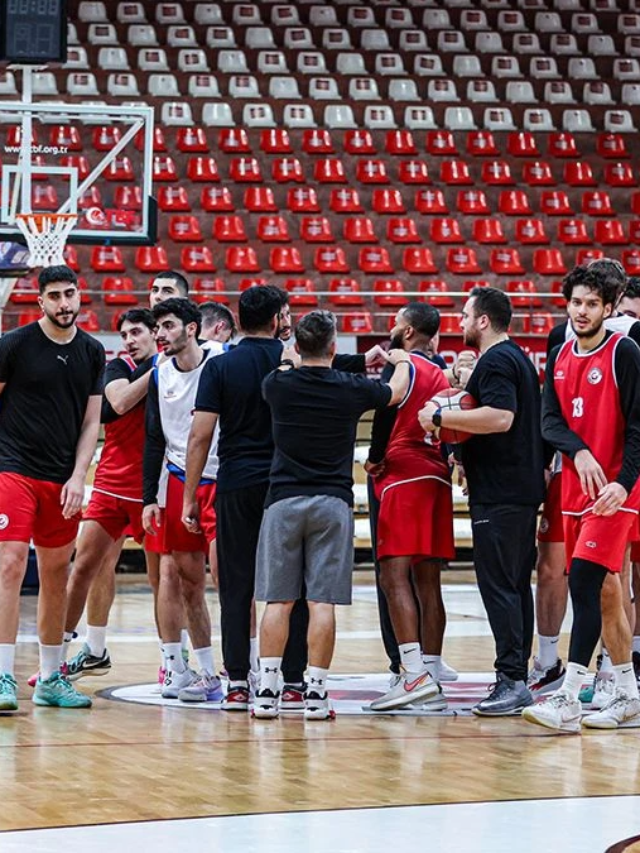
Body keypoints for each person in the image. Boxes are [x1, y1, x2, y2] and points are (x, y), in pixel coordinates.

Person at [252, 310, 411, 719]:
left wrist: (288, 358)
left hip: (283, 501)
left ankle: (267, 692)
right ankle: (316, 695)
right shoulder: (350, 387)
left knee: (278, 601)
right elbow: (395, 392)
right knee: (322, 603)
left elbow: (284, 366)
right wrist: (404, 360)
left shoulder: (277, 384)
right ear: (334, 347)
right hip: (332, 503)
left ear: (298, 346)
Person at [523, 265, 640, 732]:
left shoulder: (625, 353)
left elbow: (638, 428)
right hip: (576, 490)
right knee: (608, 593)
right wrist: (581, 451)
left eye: (592, 303)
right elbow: (549, 420)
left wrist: (623, 483)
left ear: (609, 309)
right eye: (576, 302)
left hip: (615, 493)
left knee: (585, 584)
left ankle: (569, 696)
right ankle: (629, 695)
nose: (582, 310)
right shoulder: (560, 354)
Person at [419, 287, 545, 716]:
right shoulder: (519, 360)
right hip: (519, 490)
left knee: (500, 588)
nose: (459, 322)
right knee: (513, 587)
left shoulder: (495, 361)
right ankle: (518, 676)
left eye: (465, 315)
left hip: (503, 493)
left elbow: (500, 418)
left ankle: (511, 680)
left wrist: (441, 418)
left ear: (484, 321)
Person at [0, 265, 104, 711]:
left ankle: (50, 678)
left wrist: (79, 475)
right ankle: (3, 676)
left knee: (56, 576)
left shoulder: (92, 351)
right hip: (12, 468)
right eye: (55, 296)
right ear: (39, 301)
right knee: (10, 562)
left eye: (70, 294)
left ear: (80, 296)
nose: (64, 303)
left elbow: (91, 421)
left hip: (61, 478)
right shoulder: (14, 345)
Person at [365, 303, 455, 712]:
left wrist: (374, 456)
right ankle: (431, 672)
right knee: (428, 581)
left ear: (409, 330)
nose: (392, 325)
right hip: (435, 474)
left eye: (398, 320)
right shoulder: (441, 371)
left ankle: (413, 673)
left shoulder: (400, 366)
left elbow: (386, 412)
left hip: (403, 472)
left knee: (393, 576)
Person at [62, 309, 158, 681]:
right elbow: (118, 403)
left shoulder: (182, 372)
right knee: (84, 566)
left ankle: (174, 661)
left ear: (155, 333)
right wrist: (160, 368)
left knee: (165, 580)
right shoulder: (118, 367)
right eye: (124, 335)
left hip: (154, 490)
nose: (129, 340)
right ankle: (65, 655)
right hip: (111, 484)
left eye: (136, 333)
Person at [143, 298, 223, 702]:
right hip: (178, 479)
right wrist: (149, 496)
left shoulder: (222, 360)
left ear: (192, 329)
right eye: (157, 327)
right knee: (190, 581)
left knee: (230, 581)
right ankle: (206, 673)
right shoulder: (159, 371)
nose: (160, 334)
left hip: (224, 477)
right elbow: (154, 437)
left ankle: (252, 669)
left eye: (168, 325)